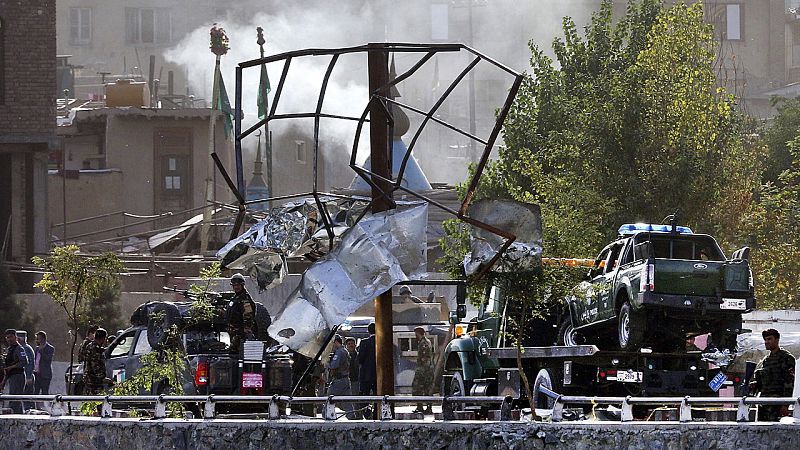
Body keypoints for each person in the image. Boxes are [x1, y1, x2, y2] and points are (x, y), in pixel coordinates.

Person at [749, 328, 796, 421]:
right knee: (760, 431)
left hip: (777, 402)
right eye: (765, 340)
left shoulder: (786, 358)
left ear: (777, 340)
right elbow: (762, 382)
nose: (767, 342)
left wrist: (785, 404)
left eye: (769, 339)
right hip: (763, 401)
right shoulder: (766, 360)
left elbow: (789, 383)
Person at [325, 334, 356, 419]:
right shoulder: (344, 351)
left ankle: (326, 417)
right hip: (345, 379)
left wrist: (326, 362)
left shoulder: (339, 352)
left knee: (329, 399)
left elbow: (334, 365)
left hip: (338, 380)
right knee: (347, 402)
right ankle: (352, 418)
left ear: (335, 342)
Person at [226, 273, 257, 354]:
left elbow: (248, 316)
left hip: (240, 334)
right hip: (234, 332)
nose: (236, 287)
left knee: (238, 355)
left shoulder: (244, 299)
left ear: (242, 285)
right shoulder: (235, 298)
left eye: (238, 285)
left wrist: (246, 331)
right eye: (234, 285)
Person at [1, 329, 27, 414]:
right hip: (11, 377)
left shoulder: (19, 348)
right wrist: (4, 381)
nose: (9, 339)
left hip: (18, 375)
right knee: (13, 398)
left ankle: (16, 416)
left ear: (16, 337)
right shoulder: (9, 349)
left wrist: (12, 367)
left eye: (11, 337)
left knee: (15, 399)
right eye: (7, 337)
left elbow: (24, 361)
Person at [412, 326, 434, 414]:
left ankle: (421, 407)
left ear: (419, 333)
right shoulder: (425, 342)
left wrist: (420, 370)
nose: (415, 336)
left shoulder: (423, 343)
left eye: (416, 334)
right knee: (426, 389)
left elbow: (424, 358)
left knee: (417, 388)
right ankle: (426, 407)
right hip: (426, 370)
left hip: (424, 370)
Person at [83, 328, 109, 395]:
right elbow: (95, 365)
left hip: (89, 379)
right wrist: (102, 378)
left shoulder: (90, 345)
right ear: (103, 338)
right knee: (96, 401)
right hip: (94, 381)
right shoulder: (96, 349)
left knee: (89, 401)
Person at [17, 331, 35, 411]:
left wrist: (28, 376)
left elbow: (30, 363)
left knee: (27, 396)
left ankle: (29, 410)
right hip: (24, 375)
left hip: (27, 376)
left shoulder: (26, 348)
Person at [34, 331, 55, 396]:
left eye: (38, 339)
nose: (37, 340)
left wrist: (42, 351)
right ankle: (35, 406)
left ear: (43, 339)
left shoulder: (50, 348)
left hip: (45, 375)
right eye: (36, 339)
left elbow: (48, 359)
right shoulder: (37, 348)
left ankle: (45, 406)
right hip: (36, 374)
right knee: (35, 392)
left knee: (44, 392)